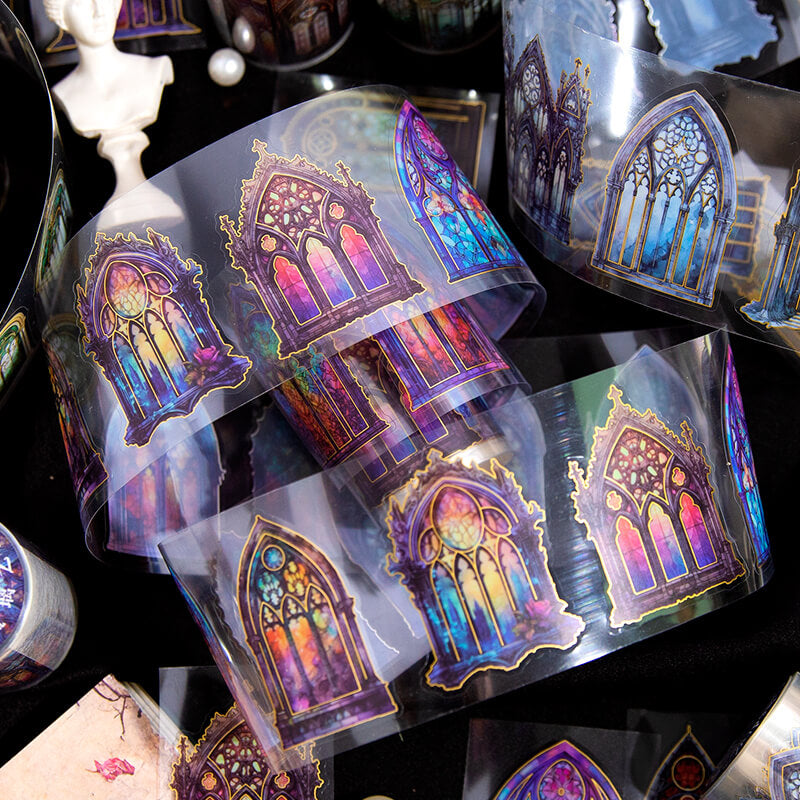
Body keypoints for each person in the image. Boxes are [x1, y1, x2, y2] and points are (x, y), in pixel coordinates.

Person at [43, 0, 173, 203]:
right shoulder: (63, 94)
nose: (99, 12)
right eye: (82, 3)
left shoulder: (154, 70)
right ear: (61, 18)